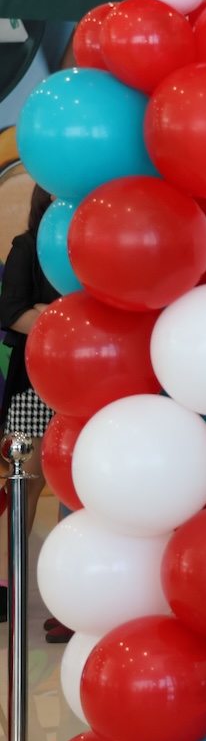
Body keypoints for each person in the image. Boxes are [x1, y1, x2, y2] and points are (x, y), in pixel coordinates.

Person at [0, 183, 67, 643]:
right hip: (36, 386)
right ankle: (9, 587)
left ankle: (70, 596)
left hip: (95, 387)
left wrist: (49, 312)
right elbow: (13, 312)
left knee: (79, 489)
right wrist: (61, 318)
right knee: (25, 488)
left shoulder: (95, 244)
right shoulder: (26, 246)